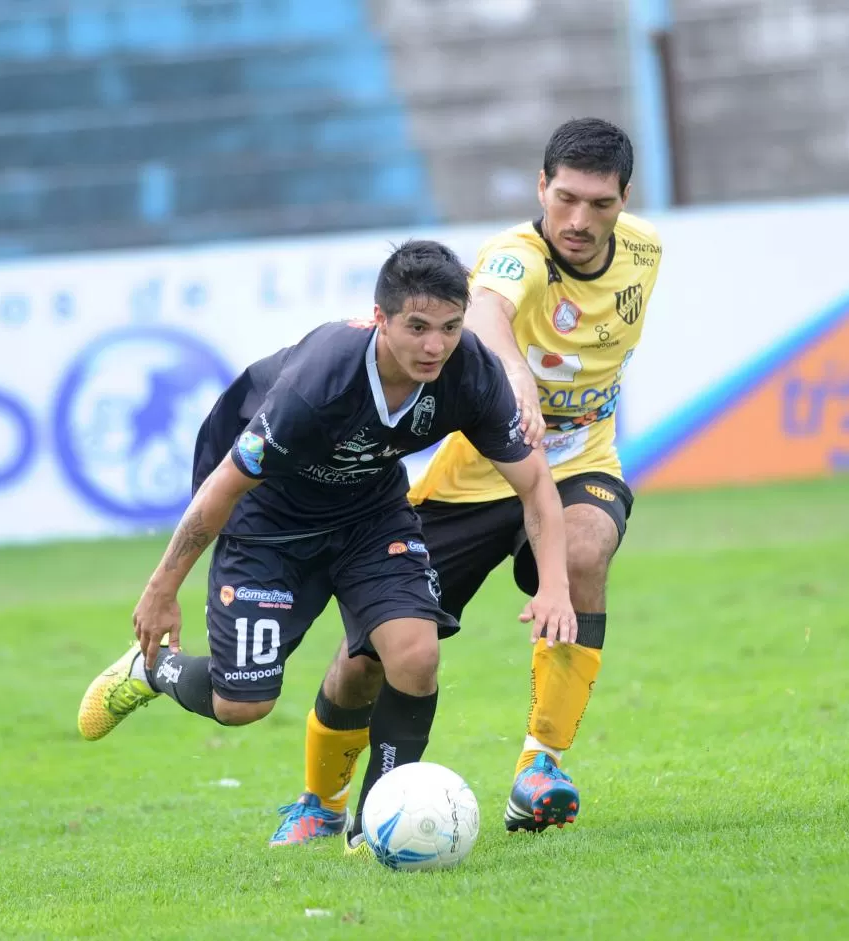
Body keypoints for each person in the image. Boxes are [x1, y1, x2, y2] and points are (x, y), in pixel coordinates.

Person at [77, 240, 577, 850]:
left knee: (415, 656)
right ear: (380, 318)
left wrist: (554, 585)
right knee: (242, 705)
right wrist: (161, 590)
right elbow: (221, 490)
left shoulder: (468, 369)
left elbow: (536, 487)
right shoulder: (320, 385)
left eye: (448, 328)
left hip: (370, 516)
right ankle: (151, 671)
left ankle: (375, 827)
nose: (434, 346)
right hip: (268, 521)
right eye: (417, 328)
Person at [274, 117, 662, 848]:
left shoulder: (646, 250)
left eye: (600, 204)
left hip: (580, 462)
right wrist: (515, 375)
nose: (579, 220)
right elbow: (487, 310)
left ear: (624, 199)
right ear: (541, 187)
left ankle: (539, 766)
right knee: (371, 657)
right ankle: (320, 801)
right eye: (565, 199)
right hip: (473, 477)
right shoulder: (516, 256)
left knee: (582, 554)